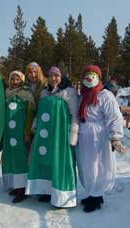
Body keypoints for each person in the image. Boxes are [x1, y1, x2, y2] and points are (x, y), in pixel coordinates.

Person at [26, 66, 79, 208]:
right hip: (45, 134)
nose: (53, 78)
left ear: (62, 76)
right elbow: (39, 112)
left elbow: (75, 115)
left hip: (61, 134)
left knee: (60, 161)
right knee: (46, 161)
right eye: (51, 76)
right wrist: (35, 125)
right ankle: (46, 191)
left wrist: (73, 134)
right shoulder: (44, 92)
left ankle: (61, 196)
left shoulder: (69, 92)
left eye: (56, 75)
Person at [77, 65, 124, 212]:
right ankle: (92, 194)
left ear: (98, 77)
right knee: (86, 166)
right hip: (84, 136)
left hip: (98, 137)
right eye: (87, 75)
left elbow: (114, 117)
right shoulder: (82, 95)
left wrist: (115, 136)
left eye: (93, 74)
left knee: (97, 166)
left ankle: (96, 197)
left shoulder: (105, 95)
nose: (89, 78)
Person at [2, 70, 35, 203]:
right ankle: (16, 185)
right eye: (12, 79)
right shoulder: (7, 94)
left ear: (22, 80)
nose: (14, 82)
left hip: (21, 133)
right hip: (10, 133)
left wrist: (27, 132)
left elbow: (30, 115)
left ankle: (22, 189)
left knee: (21, 159)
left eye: (17, 79)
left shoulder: (27, 94)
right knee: (11, 158)